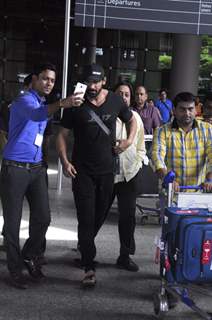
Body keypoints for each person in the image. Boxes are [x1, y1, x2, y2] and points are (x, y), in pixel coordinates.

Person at [0, 63, 83, 289]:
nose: (49, 83)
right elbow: (37, 115)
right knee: (12, 224)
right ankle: (15, 270)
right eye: (45, 79)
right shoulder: (25, 100)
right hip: (14, 168)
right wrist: (62, 103)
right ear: (35, 79)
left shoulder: (42, 103)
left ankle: (28, 254)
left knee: (43, 218)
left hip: (36, 169)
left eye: (52, 80)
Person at [56, 63, 137, 287]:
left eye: (96, 82)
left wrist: (128, 141)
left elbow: (131, 120)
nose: (91, 86)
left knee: (98, 215)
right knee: (85, 217)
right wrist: (64, 160)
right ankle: (89, 266)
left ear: (103, 81)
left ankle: (85, 246)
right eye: (88, 82)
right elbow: (61, 135)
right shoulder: (75, 103)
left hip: (107, 171)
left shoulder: (115, 100)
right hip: (82, 171)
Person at [113, 81, 146, 271]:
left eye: (126, 94)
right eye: (120, 93)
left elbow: (141, 145)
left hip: (129, 174)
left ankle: (125, 256)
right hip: (108, 174)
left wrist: (139, 162)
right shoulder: (107, 115)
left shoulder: (136, 118)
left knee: (128, 217)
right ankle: (85, 250)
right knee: (96, 214)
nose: (123, 97)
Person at [152, 91, 212, 192]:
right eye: (182, 109)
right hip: (171, 193)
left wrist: (210, 179)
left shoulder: (208, 129)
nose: (187, 113)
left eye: (190, 109)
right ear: (174, 110)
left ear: (196, 110)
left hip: (199, 192)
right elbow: (157, 158)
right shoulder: (162, 131)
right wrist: (168, 179)